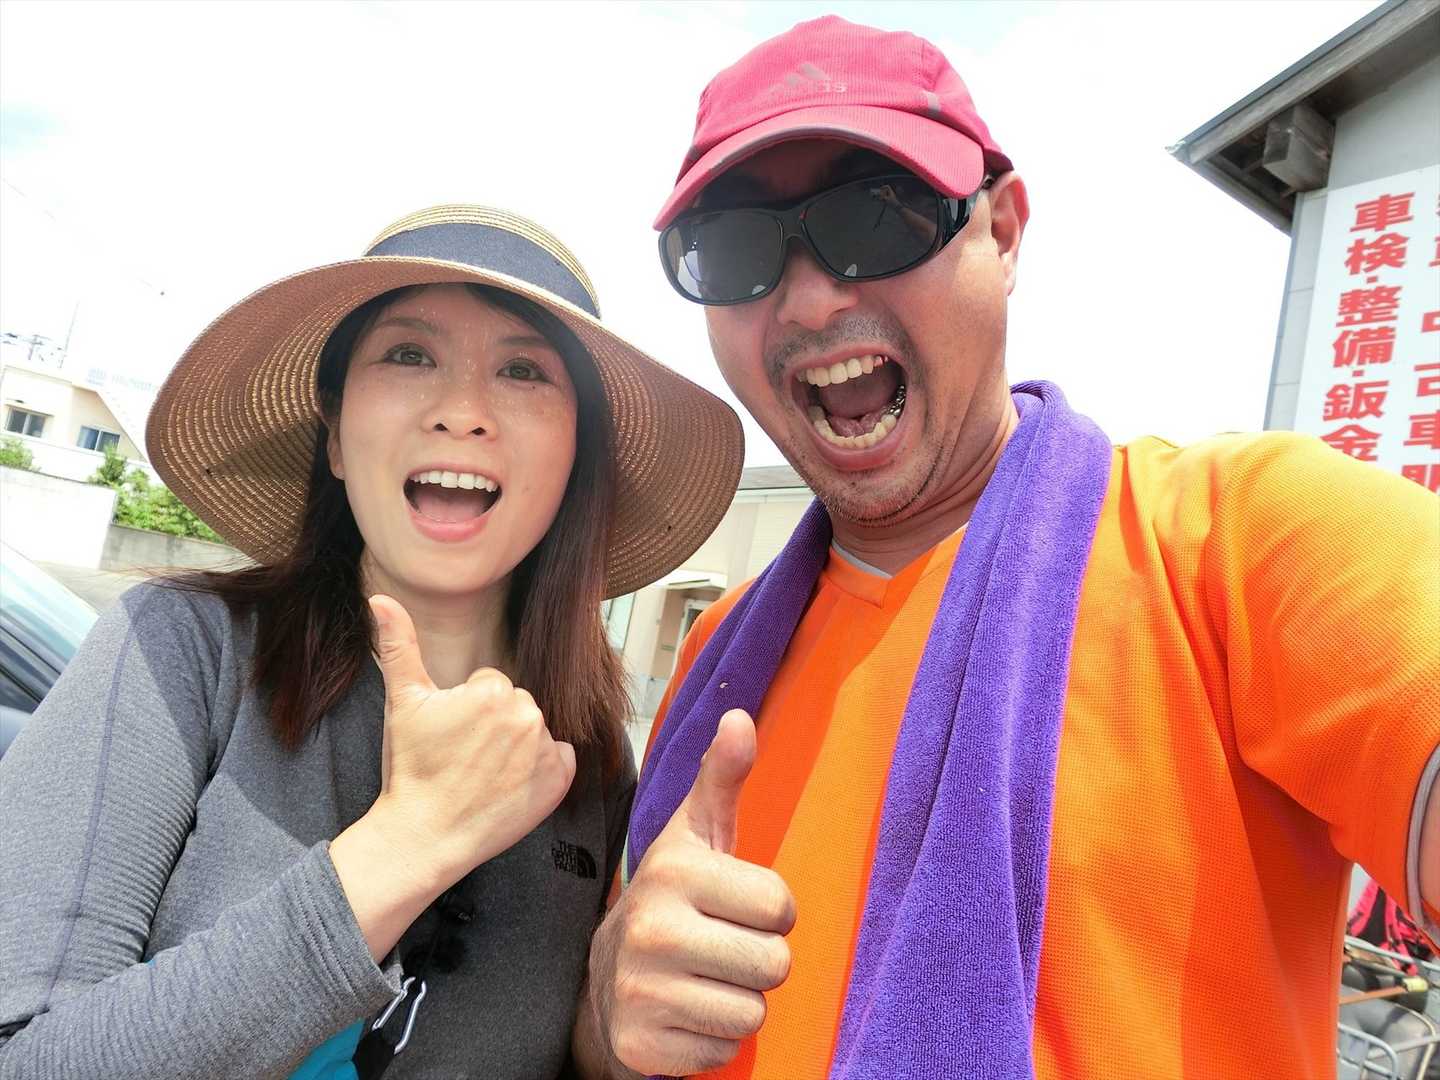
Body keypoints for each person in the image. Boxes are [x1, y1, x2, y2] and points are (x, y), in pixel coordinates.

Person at [572, 16, 1440, 1080]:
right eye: (737, 249)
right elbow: (620, 1023)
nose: (808, 297)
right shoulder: (716, 656)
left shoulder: (1239, 541)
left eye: (873, 216)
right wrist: (608, 1007)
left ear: (1004, 231)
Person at [0, 205, 742, 1078]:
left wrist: (618, 1037)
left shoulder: (592, 760)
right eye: (409, 355)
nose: (462, 412)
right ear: (336, 436)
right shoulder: (178, 652)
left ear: (575, 461)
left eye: (523, 370)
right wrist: (406, 845)